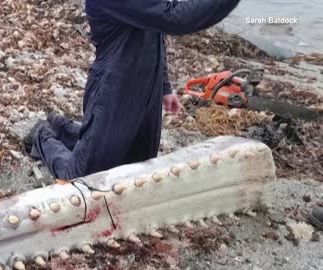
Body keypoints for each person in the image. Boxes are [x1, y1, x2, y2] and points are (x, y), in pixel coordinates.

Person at [24, 0, 241, 180]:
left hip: (148, 89)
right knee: (84, 177)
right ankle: (42, 134)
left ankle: (63, 128)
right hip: (114, 91)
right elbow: (176, 18)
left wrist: (164, 87)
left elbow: (158, 27)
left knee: (137, 168)